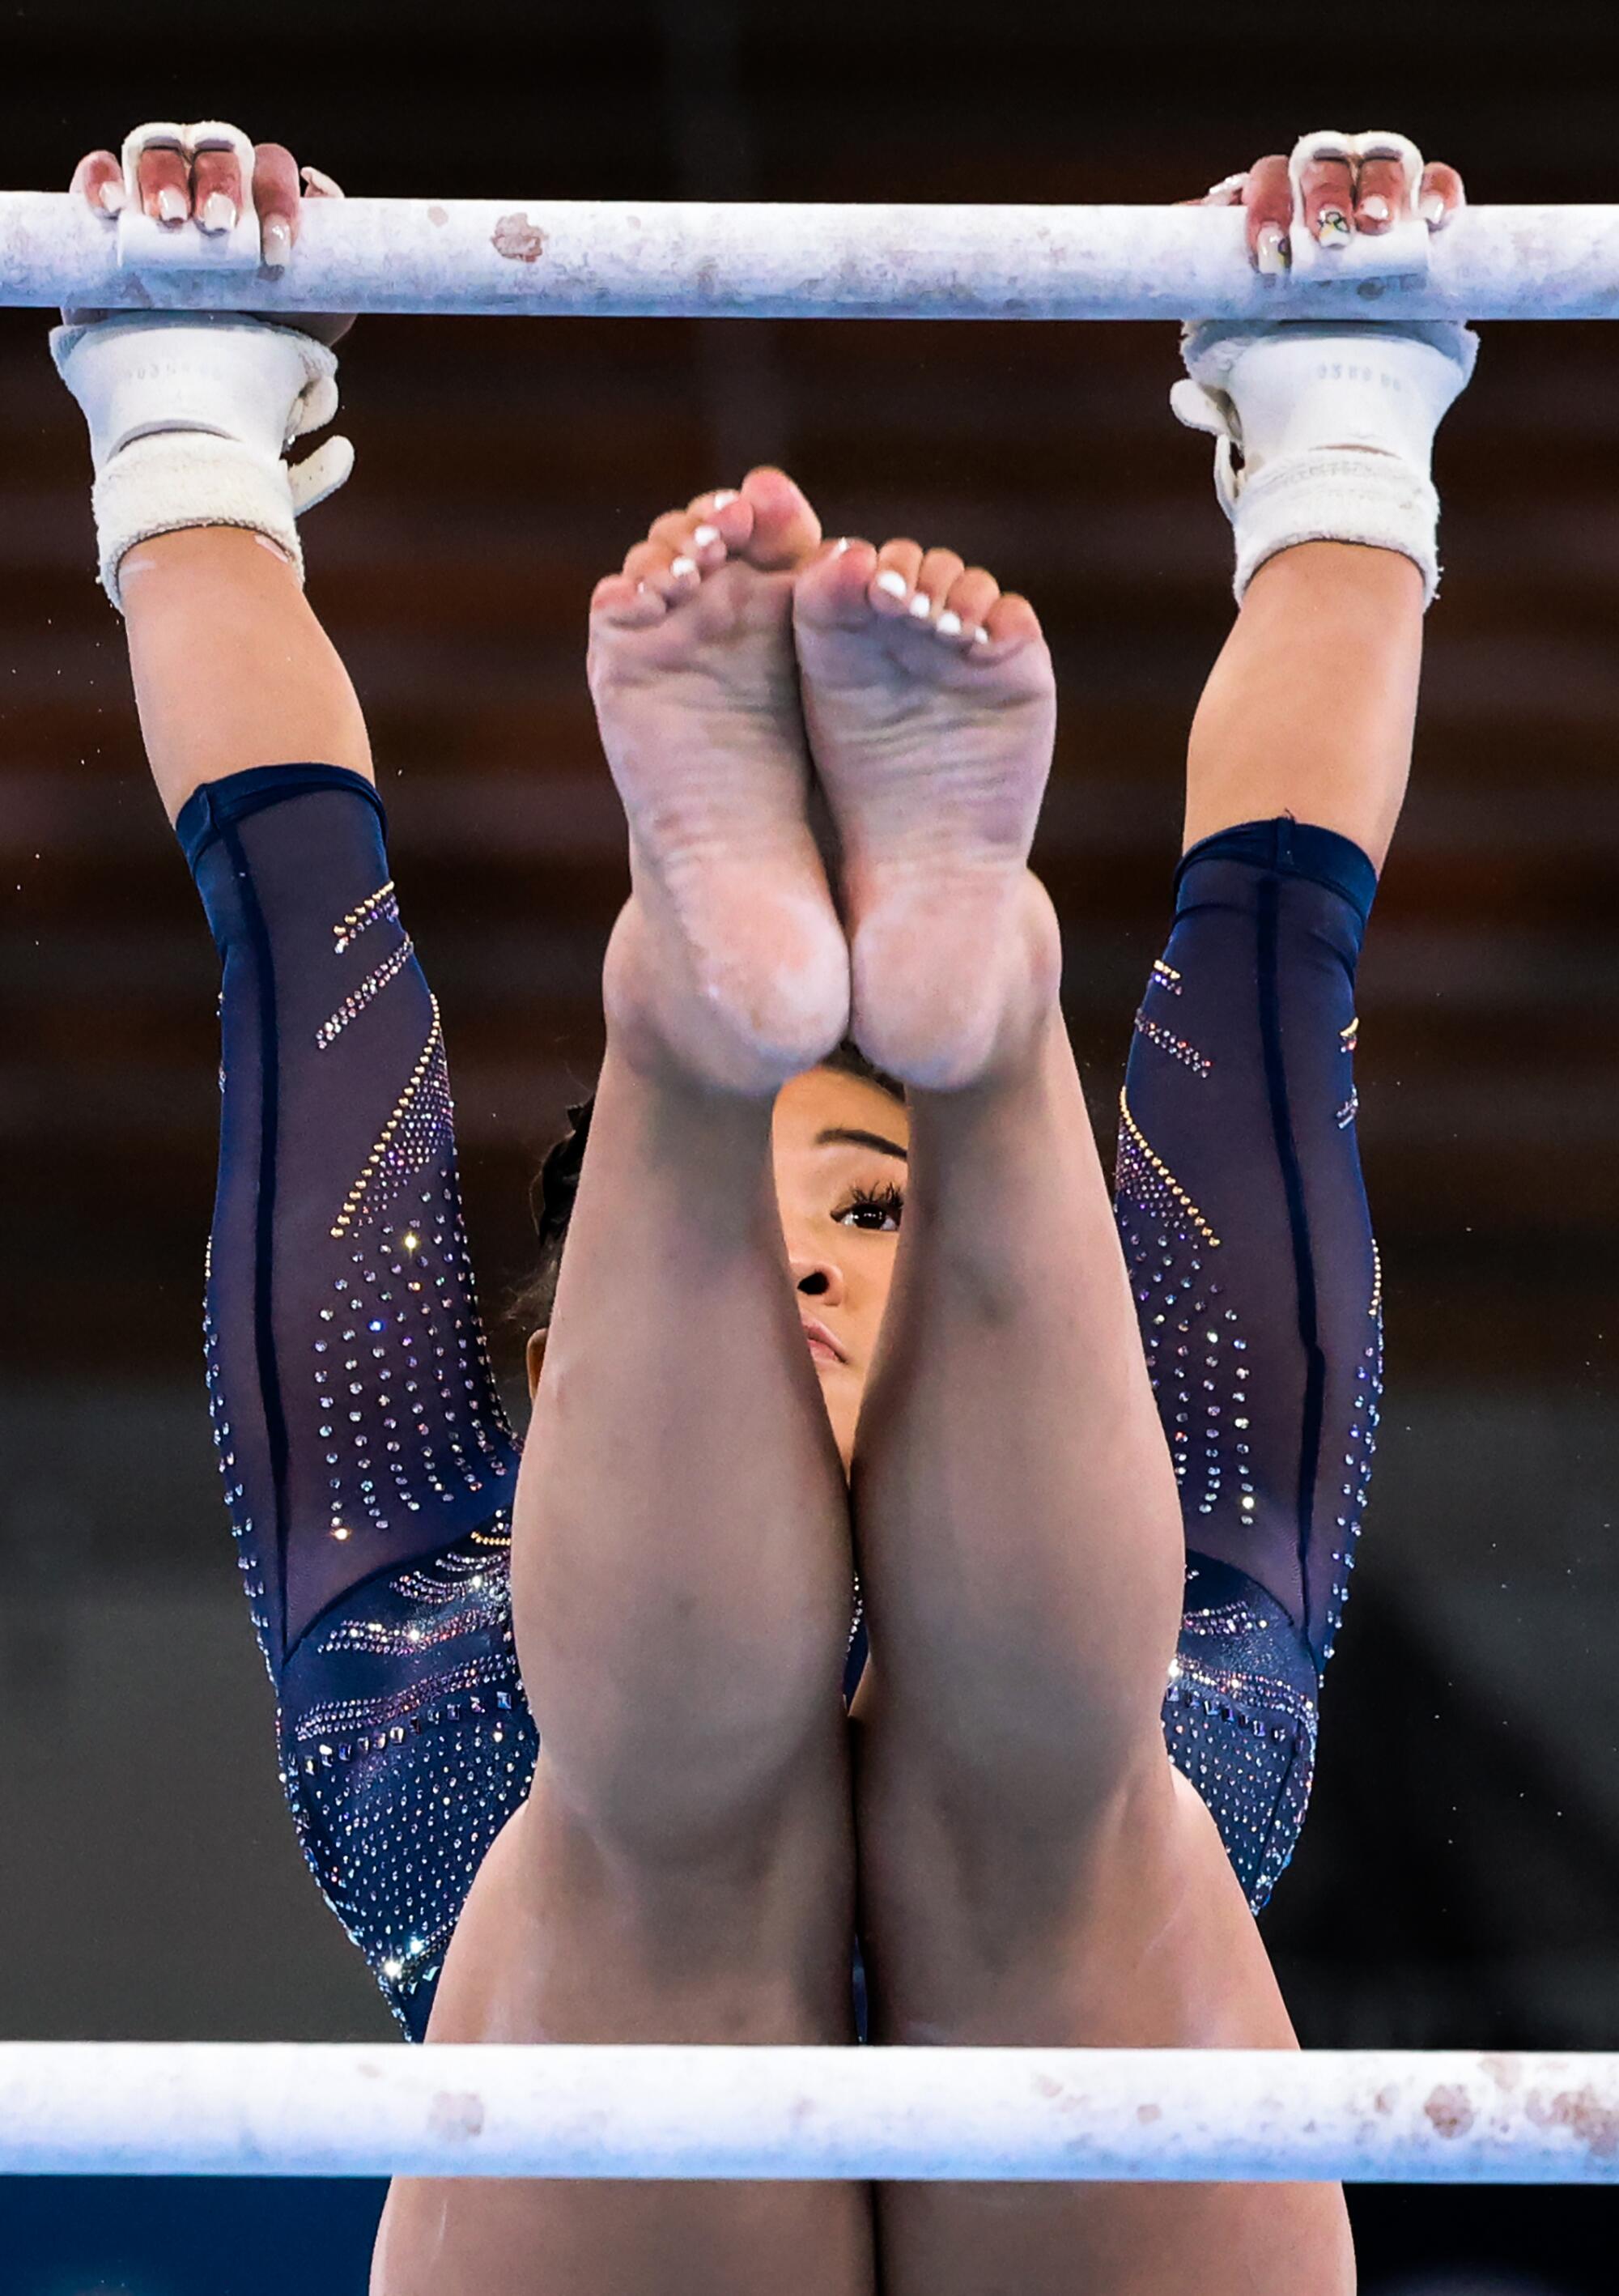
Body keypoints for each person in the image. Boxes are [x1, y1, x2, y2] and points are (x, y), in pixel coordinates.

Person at [54, 121, 1472, 2295]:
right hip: (740, 2116)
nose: (816, 1261)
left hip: (966, 2081)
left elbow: (293, 921)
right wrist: (1344, 432)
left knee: (972, 1814)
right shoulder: (1173, 1588)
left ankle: (834, 1019)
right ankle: (872, 1036)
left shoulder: (410, 1623)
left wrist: (185, 420)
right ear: (540, 1365)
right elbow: (1276, 958)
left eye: (877, 1207)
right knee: (772, 1829)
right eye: (773, 1220)